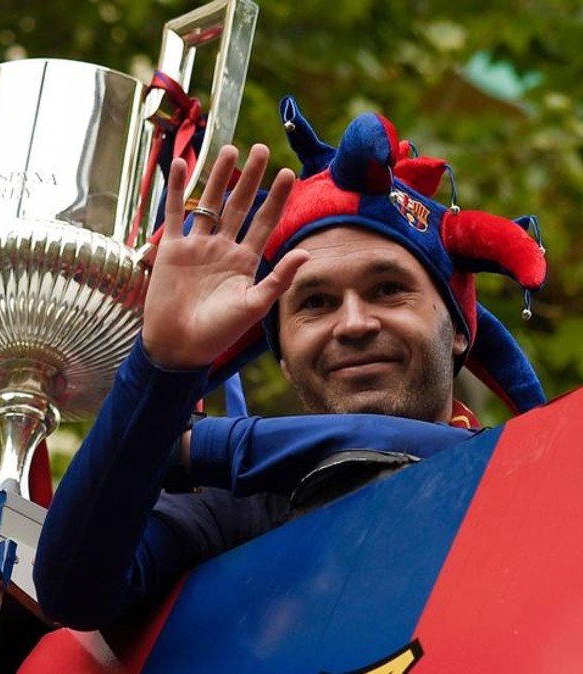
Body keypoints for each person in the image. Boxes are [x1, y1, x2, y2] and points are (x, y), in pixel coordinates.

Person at [33, 97, 548, 630]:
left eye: (388, 289)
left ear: (461, 331)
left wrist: (204, 447)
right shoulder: (235, 506)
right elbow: (73, 592)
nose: (353, 323)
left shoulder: (530, 482)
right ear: (282, 358)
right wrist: (163, 366)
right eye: (316, 303)